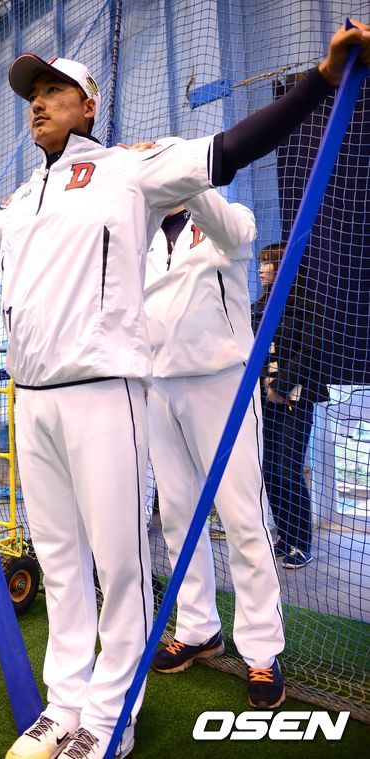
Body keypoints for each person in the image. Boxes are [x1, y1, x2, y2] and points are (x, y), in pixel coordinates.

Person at [0, 21, 370, 759]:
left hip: (113, 393)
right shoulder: (28, 196)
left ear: (88, 106)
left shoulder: (128, 173)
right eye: (32, 94)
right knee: (62, 562)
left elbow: (233, 147)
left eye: (54, 91)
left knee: (125, 562)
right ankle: (65, 705)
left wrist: (322, 81)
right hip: (35, 399)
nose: (37, 103)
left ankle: (113, 718)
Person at [143, 193, 285, 709]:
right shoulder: (141, 231)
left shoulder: (229, 214)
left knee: (244, 519)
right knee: (178, 517)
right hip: (159, 388)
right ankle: (198, 627)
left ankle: (262, 650)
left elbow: (236, 233)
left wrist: (190, 178)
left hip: (222, 385)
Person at [252, 244, 329, 569]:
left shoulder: (309, 306)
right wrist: (264, 384)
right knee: (270, 470)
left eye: (266, 263)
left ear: (283, 267)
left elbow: (310, 352)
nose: (260, 269)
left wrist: (280, 385)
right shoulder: (259, 307)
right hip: (264, 399)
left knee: (288, 468)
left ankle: (300, 542)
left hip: (297, 398)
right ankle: (284, 534)